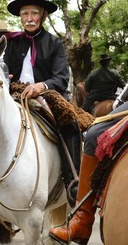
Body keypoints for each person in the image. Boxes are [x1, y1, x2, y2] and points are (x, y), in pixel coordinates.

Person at [3, 0, 81, 205]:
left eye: (34, 13)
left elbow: (62, 77)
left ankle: (73, 180)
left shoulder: (55, 44)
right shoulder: (11, 43)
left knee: (70, 124)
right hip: (13, 95)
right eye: (25, 13)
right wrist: (4, 77)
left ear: (43, 16)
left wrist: (41, 86)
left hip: (47, 95)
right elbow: (3, 69)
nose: (29, 18)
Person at [49, 101, 128, 244]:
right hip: (21, 93)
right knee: (94, 135)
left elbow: (61, 77)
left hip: (48, 87)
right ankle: (82, 219)